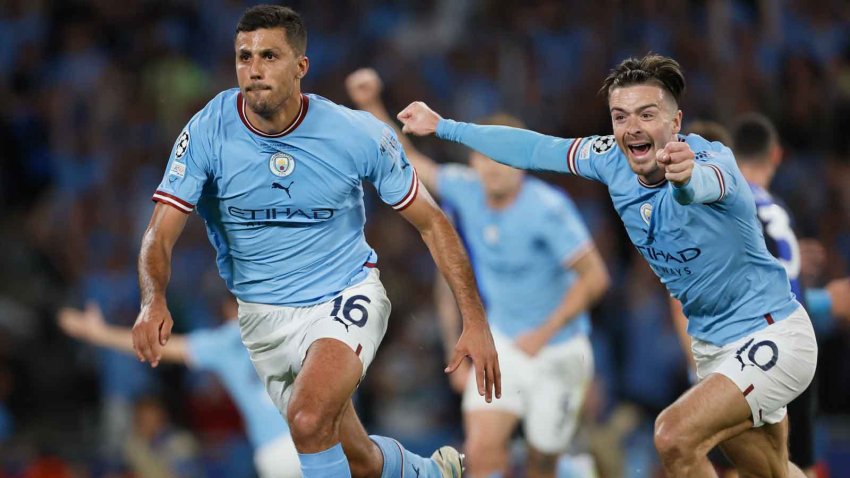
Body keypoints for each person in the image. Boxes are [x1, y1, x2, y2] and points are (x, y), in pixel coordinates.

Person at [397, 53, 817, 477]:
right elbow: (535, 149)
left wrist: (686, 180)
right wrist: (445, 127)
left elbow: (704, 185)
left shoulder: (712, 160)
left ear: (675, 122)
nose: (632, 127)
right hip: (713, 347)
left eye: (647, 114)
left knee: (673, 435)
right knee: (773, 473)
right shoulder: (609, 159)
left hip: (774, 333)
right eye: (620, 116)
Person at [130, 5, 501, 478]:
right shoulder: (208, 130)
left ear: (300, 66)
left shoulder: (354, 134)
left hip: (344, 295)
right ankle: (431, 473)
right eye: (244, 57)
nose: (254, 69)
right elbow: (159, 233)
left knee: (306, 421)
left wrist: (474, 319)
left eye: (269, 55)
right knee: (358, 460)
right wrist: (152, 298)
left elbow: (433, 223)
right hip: (262, 318)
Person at [346, 68, 609, 478]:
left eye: (504, 159)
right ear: (472, 159)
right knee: (481, 449)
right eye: (484, 157)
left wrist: (543, 333)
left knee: (542, 464)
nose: (493, 167)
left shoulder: (548, 209)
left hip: (558, 349)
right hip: (503, 343)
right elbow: (407, 158)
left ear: (520, 164)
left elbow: (595, 277)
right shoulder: (466, 189)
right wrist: (370, 105)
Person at [57, 299, 302, 478]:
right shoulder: (290, 318)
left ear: (229, 309)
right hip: (313, 435)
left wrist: (99, 334)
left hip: (276, 452)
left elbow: (158, 347)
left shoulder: (225, 340)